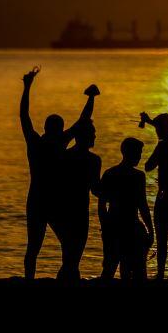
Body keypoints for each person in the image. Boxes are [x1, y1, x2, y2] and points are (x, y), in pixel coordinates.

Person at [19, 66, 98, 279]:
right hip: (50, 201)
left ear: (45, 127)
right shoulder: (57, 142)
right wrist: (91, 97)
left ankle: (34, 278)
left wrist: (27, 87)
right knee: (62, 243)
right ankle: (66, 272)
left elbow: (24, 115)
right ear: (58, 129)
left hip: (38, 199)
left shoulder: (36, 142)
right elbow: (82, 121)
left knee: (34, 247)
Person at [53, 119, 102, 282]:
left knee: (69, 256)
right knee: (72, 258)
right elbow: (96, 189)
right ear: (84, 136)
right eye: (92, 133)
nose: (95, 136)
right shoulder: (94, 160)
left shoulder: (65, 156)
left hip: (65, 211)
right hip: (78, 213)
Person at [139, 112, 168, 281]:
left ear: (164, 129)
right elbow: (165, 130)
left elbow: (148, 166)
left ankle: (160, 275)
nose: (156, 132)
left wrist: (155, 147)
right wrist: (150, 122)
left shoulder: (164, 145)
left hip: (165, 195)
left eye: (158, 129)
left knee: (162, 238)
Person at [99, 138, 154, 281]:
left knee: (110, 268)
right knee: (135, 271)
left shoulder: (110, 173)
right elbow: (143, 206)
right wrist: (150, 230)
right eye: (138, 153)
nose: (140, 156)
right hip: (130, 227)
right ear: (129, 153)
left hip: (115, 227)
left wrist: (105, 226)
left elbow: (102, 205)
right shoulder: (138, 176)